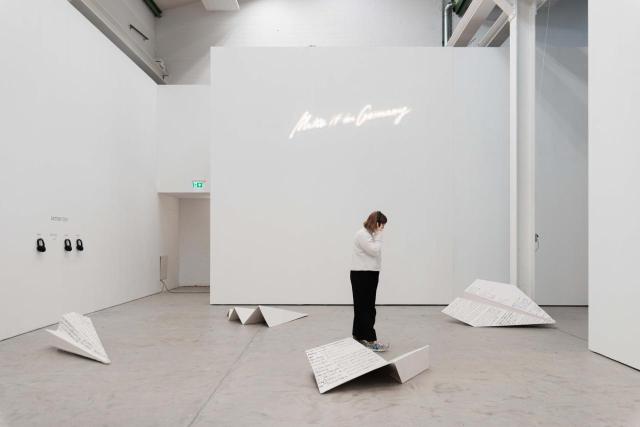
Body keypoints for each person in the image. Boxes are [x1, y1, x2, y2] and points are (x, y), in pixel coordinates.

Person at [350, 210, 389, 352]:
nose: (383, 228)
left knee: (363, 307)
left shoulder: (369, 235)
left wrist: (376, 235)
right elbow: (374, 251)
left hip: (368, 273)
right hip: (363, 274)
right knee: (367, 308)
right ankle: (371, 340)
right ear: (376, 223)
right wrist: (379, 235)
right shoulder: (363, 234)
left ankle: (358, 336)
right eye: (382, 225)